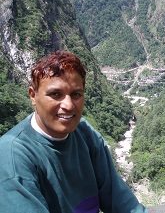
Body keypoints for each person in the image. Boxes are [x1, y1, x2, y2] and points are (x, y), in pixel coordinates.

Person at [0, 51, 148, 213]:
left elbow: (118, 199)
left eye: (76, 94)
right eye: (55, 94)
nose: (68, 105)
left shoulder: (84, 132)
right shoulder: (13, 156)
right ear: (33, 95)